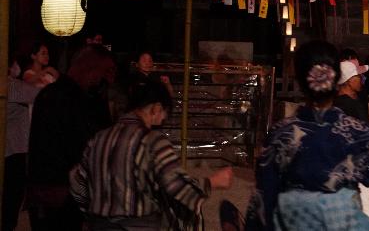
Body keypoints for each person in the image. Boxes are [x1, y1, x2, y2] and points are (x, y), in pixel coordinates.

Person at [245, 39, 369, 230]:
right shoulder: (352, 132)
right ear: (336, 79)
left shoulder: (280, 134)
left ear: (300, 80)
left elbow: (263, 197)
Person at [70, 77, 234, 230]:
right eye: (164, 113)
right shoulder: (151, 140)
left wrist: (92, 211)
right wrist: (213, 182)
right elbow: (176, 186)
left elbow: (76, 181)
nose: (163, 120)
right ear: (155, 108)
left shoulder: (99, 138)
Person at [26, 44, 117, 231]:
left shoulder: (50, 94)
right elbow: (89, 147)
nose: (109, 78)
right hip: (63, 194)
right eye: (106, 72)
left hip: (46, 192)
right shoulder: (78, 100)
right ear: (89, 68)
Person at [3, 60, 41, 231]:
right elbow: (42, 95)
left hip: (10, 149)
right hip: (14, 149)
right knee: (11, 200)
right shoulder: (12, 86)